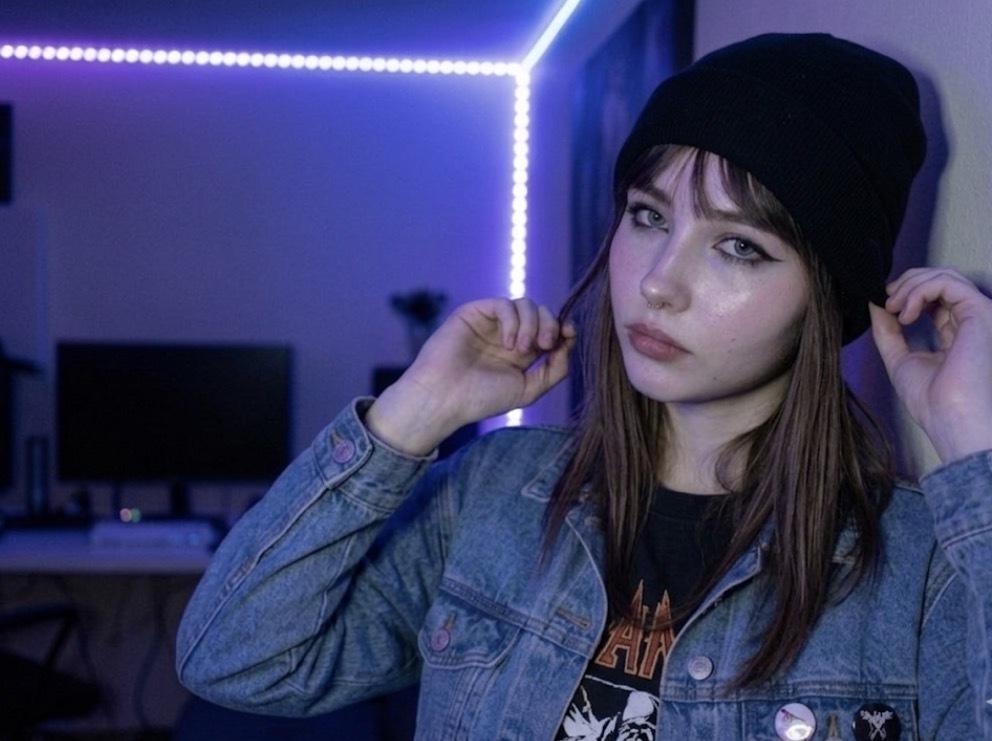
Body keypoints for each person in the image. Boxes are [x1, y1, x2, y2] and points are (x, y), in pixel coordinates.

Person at [176, 33, 992, 740]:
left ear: (827, 296)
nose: (659, 282)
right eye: (648, 216)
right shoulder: (493, 496)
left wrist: (976, 449)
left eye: (739, 246)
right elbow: (236, 657)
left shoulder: (924, 566)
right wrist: (410, 415)